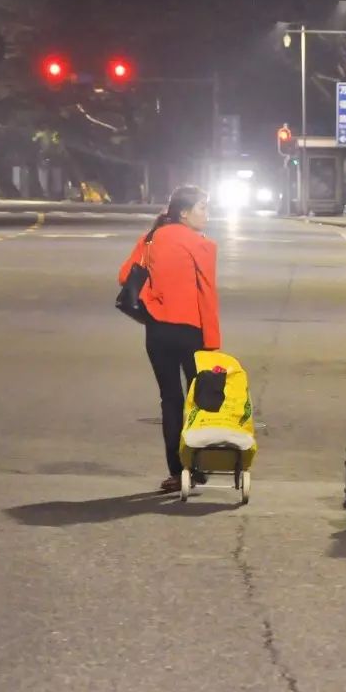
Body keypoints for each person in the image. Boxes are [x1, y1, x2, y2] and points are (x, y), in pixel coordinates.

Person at [118, 185, 220, 493]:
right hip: (192, 332)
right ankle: (198, 466)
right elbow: (207, 295)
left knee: (170, 399)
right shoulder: (203, 246)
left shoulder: (151, 238)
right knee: (200, 398)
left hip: (158, 331)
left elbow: (126, 275)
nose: (206, 214)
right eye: (202, 208)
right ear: (184, 213)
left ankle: (177, 472)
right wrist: (213, 339)